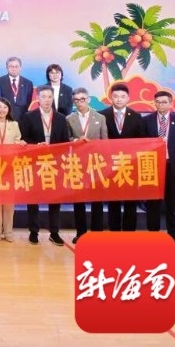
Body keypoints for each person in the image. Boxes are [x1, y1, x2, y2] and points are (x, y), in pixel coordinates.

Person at [20, 85, 71, 246]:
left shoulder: (61, 118)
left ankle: (54, 232)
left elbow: (65, 141)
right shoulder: (29, 116)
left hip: (55, 164)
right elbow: (24, 139)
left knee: (55, 198)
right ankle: (33, 231)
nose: (47, 100)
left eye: (50, 97)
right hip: (35, 163)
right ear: (38, 98)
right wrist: (36, 145)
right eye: (44, 97)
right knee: (33, 198)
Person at [144, 90, 175, 250]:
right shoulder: (147, 120)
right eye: (157, 102)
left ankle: (173, 236)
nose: (160, 105)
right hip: (152, 166)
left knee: (172, 202)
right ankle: (153, 235)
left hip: (173, 166)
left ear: (171, 103)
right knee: (153, 203)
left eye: (164, 102)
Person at [99, 82, 147, 231]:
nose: (119, 99)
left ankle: (129, 232)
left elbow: (142, 141)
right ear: (111, 97)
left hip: (130, 164)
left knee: (130, 200)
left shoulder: (136, 116)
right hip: (110, 164)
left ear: (128, 98)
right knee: (113, 200)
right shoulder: (102, 115)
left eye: (122, 96)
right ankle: (114, 230)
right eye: (116, 96)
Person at [67, 88, 108, 243]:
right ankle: (81, 233)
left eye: (82, 99)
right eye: (76, 100)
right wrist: (76, 141)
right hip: (77, 163)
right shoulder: (69, 118)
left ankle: (97, 233)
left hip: (96, 163)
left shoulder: (100, 118)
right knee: (78, 200)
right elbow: (67, 138)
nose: (79, 103)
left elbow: (105, 141)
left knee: (97, 200)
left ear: (88, 99)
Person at [0, 98, 24, 242]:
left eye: (5, 107)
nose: (2, 110)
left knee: (9, 200)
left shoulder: (14, 124)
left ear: (9, 109)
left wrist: (19, 143)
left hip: (10, 166)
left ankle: (8, 231)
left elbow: (18, 140)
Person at [0, 56, 33, 121]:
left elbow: (29, 101)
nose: (14, 69)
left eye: (16, 66)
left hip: (23, 118)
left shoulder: (28, 83)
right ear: (7, 67)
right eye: (11, 66)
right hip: (5, 117)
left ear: (20, 68)